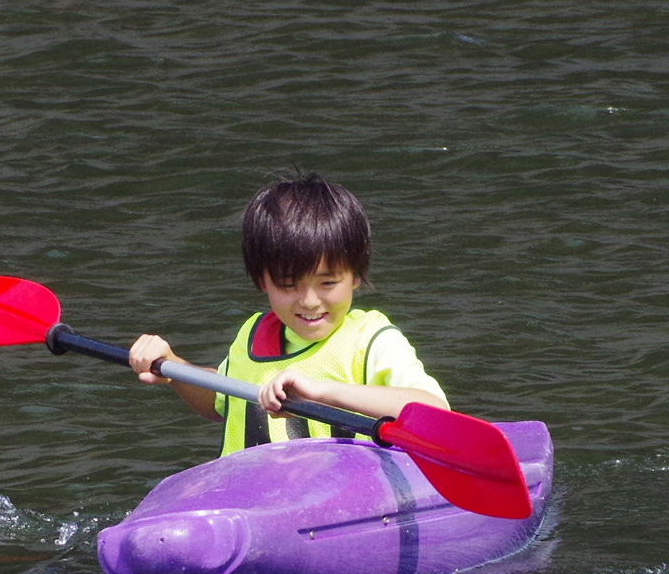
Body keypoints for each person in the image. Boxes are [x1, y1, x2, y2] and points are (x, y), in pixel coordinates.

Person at [127, 174, 448, 456]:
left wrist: (323, 392)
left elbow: (436, 413)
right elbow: (218, 402)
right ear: (261, 281)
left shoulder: (372, 341)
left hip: (341, 511)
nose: (309, 301)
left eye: (328, 282)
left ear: (355, 276)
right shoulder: (252, 336)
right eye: (287, 285)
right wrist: (174, 368)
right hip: (247, 503)